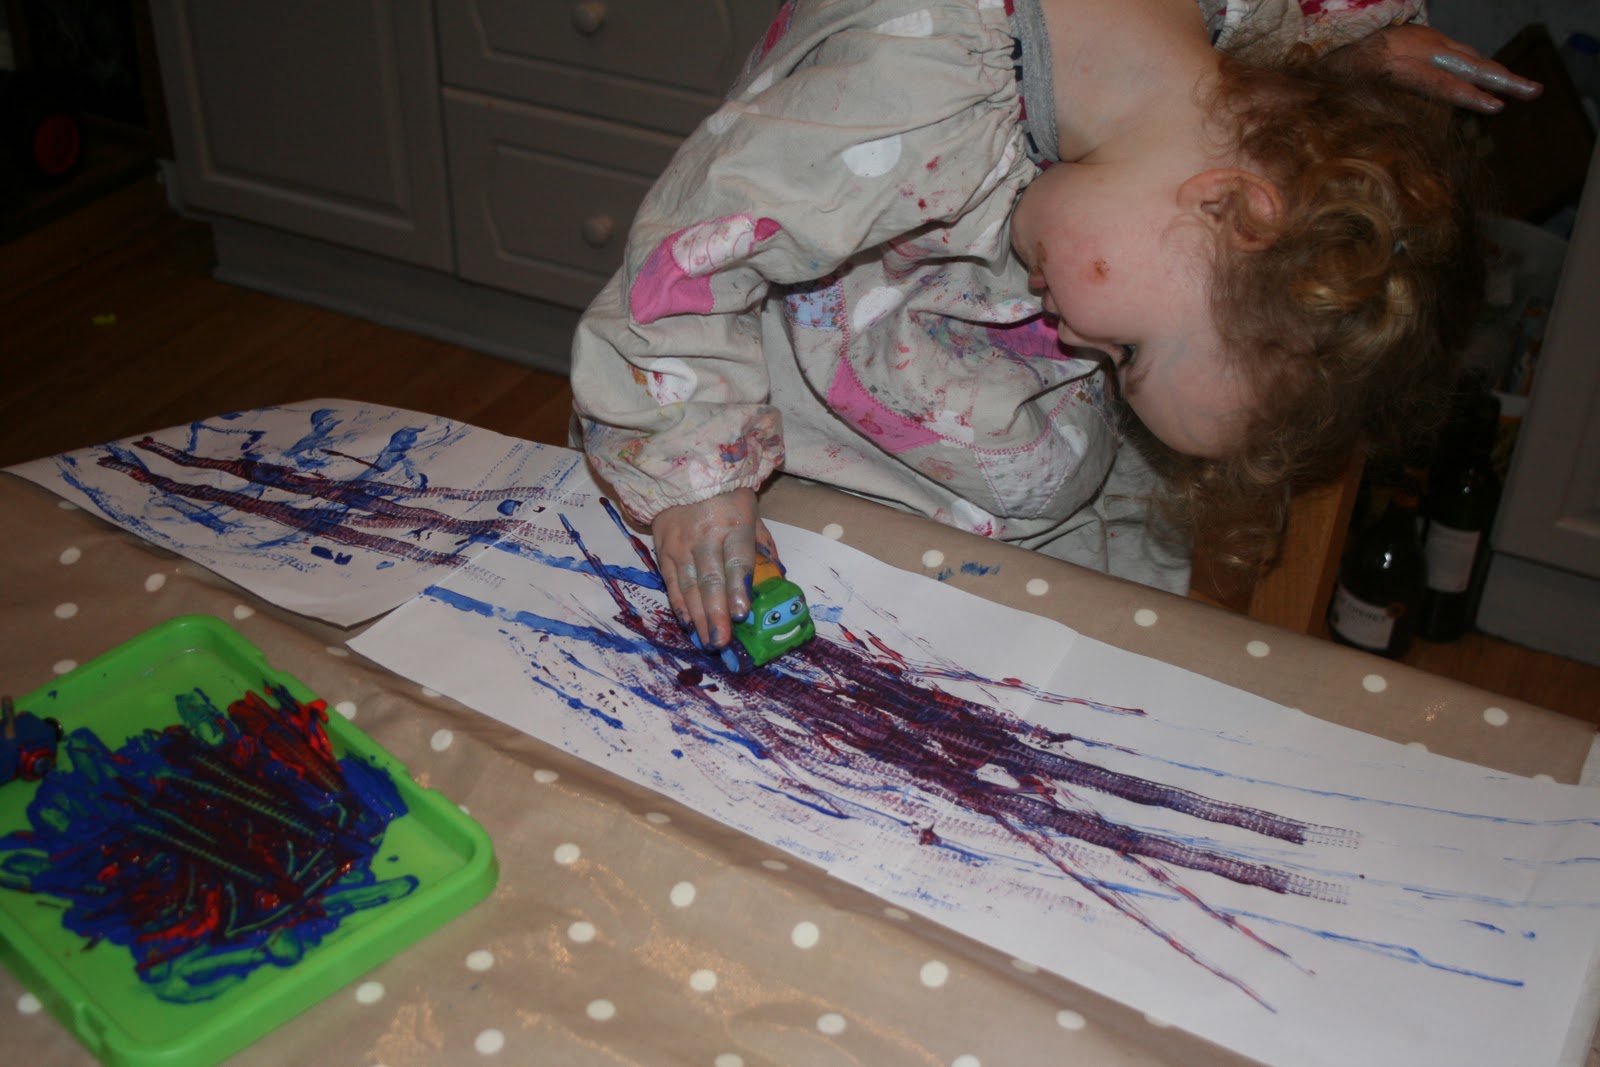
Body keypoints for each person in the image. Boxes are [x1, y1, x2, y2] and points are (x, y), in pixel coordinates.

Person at [569, 0, 1538, 654]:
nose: (1082, 347)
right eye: (1129, 353)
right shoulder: (904, 97)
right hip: (794, 426)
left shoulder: (1201, 69)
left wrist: (1350, 44)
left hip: (986, 440)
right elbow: (684, 269)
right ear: (1234, 208)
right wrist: (699, 481)